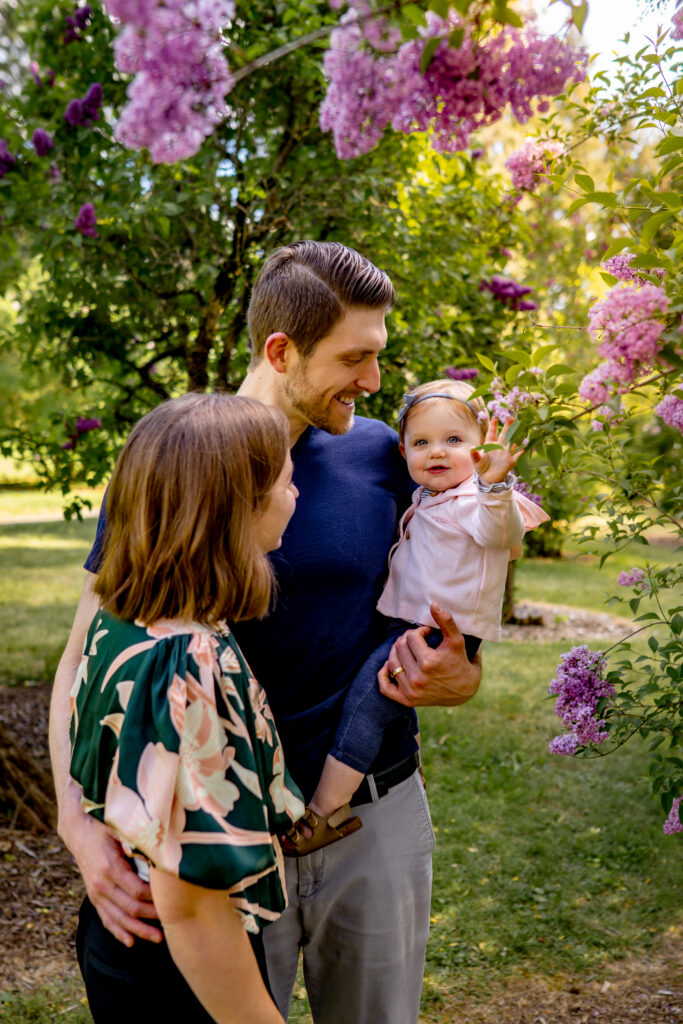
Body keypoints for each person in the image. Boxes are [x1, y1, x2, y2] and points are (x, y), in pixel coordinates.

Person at [50, 241, 482, 1024]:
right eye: (355, 357)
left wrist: (461, 672)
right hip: (226, 837)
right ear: (281, 350)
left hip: (372, 817)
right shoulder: (177, 460)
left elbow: (454, 594)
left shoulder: (388, 455)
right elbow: (89, 651)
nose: (375, 382)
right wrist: (77, 826)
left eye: (378, 357)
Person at [68, 392, 305, 1024]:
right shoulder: (189, 668)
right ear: (237, 507)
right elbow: (194, 908)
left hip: (122, 939)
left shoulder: (124, 617)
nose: (296, 494)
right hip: (180, 968)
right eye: (286, 479)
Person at [296, 378, 549, 830]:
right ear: (403, 452)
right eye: (421, 442)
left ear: (480, 448)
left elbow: (501, 536)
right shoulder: (429, 497)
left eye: (454, 440)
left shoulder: (476, 499)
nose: (436, 451)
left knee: (366, 705)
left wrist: (493, 486)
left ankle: (324, 811)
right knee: (372, 701)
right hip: (413, 622)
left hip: (436, 629)